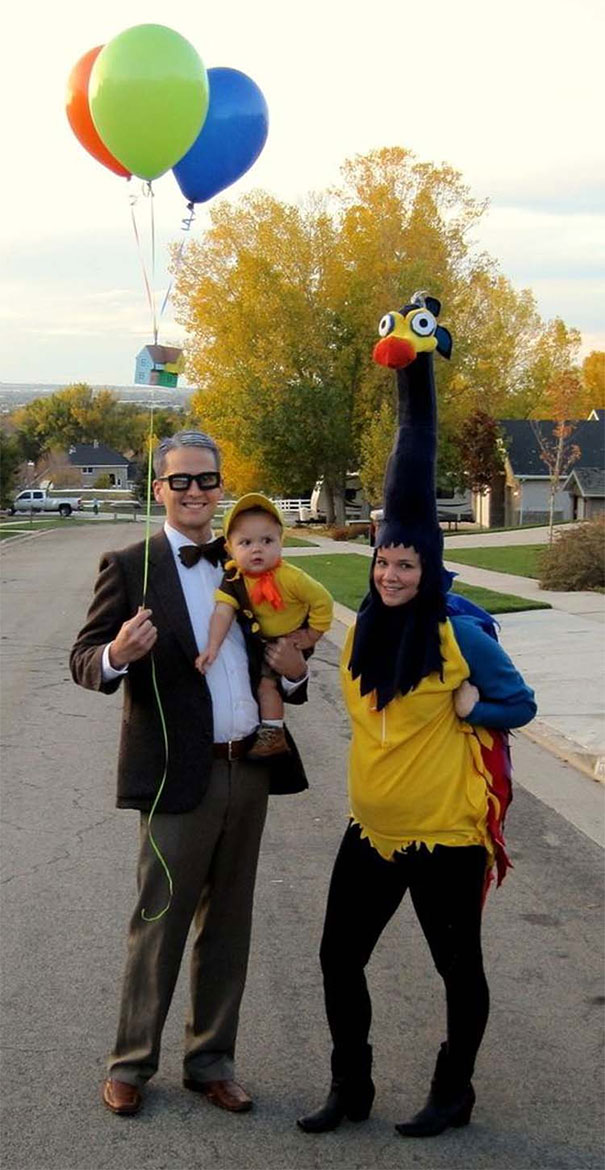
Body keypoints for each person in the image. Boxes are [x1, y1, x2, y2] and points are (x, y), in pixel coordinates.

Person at [297, 294, 537, 1139]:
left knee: (455, 969)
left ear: (427, 566)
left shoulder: (456, 631)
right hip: (371, 829)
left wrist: (479, 705)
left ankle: (452, 1090)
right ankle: (349, 1085)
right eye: (383, 560)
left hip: (445, 835)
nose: (392, 572)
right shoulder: (364, 630)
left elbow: (520, 702)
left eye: (406, 562)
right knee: (337, 959)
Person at [70, 430, 310, 1118]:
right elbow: (85, 659)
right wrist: (117, 651)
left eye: (207, 480)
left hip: (250, 767)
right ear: (160, 491)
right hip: (176, 777)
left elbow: (283, 653)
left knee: (229, 923)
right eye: (181, 482)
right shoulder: (130, 564)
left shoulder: (249, 564)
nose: (197, 492)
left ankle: (211, 1060)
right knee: (159, 921)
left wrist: (293, 676)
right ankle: (131, 1063)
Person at [195, 493, 333, 758]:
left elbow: (323, 601)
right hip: (264, 640)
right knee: (259, 681)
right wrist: (212, 647)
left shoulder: (291, 577)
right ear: (230, 549)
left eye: (267, 541)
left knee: (266, 685)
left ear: (281, 542)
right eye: (245, 542)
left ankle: (273, 733)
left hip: (291, 638)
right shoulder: (234, 579)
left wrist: (312, 634)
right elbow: (223, 612)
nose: (257, 548)